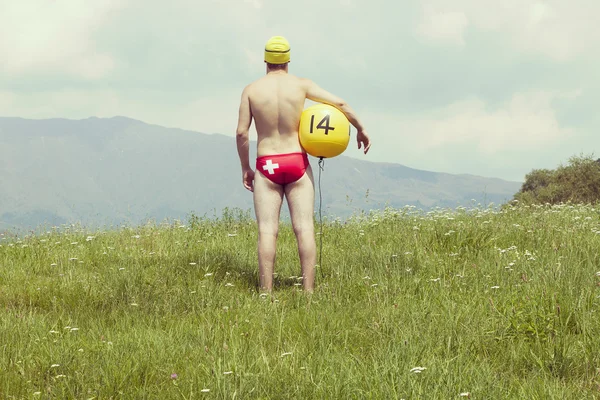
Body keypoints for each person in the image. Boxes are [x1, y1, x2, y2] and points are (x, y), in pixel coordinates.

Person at [235, 36, 371, 293]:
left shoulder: (251, 90)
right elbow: (340, 104)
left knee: (267, 230)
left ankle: (266, 294)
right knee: (304, 227)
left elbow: (242, 133)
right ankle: (308, 293)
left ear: (265, 60)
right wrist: (360, 128)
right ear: (287, 60)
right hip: (296, 161)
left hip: (268, 164)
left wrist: (245, 167)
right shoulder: (301, 85)